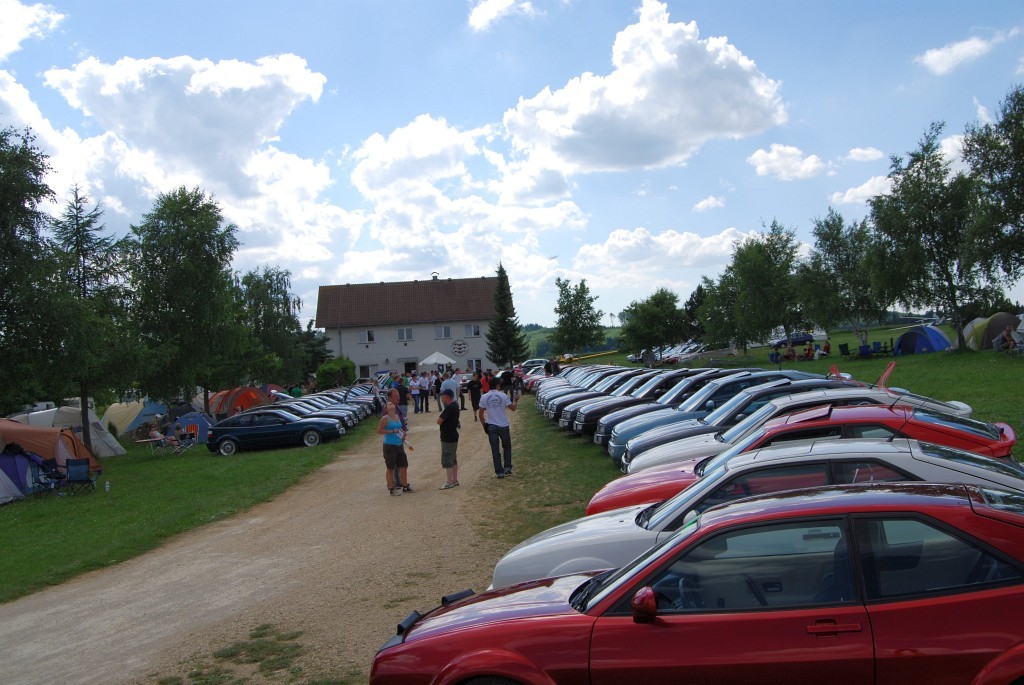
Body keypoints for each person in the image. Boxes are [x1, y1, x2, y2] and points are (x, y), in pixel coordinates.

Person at [478, 376, 517, 478]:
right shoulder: (503, 395)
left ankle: (499, 472)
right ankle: (507, 467)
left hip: (491, 425)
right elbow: (513, 408)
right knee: (507, 446)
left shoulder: (484, 397)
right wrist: (515, 400)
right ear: (497, 385)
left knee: (495, 449)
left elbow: (480, 414)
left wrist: (484, 425)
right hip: (503, 424)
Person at [377, 401, 412, 496]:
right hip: (389, 445)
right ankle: (392, 488)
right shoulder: (385, 418)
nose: (391, 405)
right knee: (390, 467)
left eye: (392, 404)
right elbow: (379, 430)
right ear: (386, 409)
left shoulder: (397, 416)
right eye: (389, 404)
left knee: (404, 465)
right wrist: (392, 431)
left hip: (399, 444)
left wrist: (403, 433)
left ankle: (405, 485)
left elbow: (398, 428)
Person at [437, 389, 461, 489]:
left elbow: (439, 421)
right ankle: (454, 480)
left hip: (448, 436)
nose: (441, 398)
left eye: (442, 396)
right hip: (452, 435)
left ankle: (449, 482)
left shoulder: (450, 407)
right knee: (453, 458)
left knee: (448, 459)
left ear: (447, 396)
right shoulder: (455, 405)